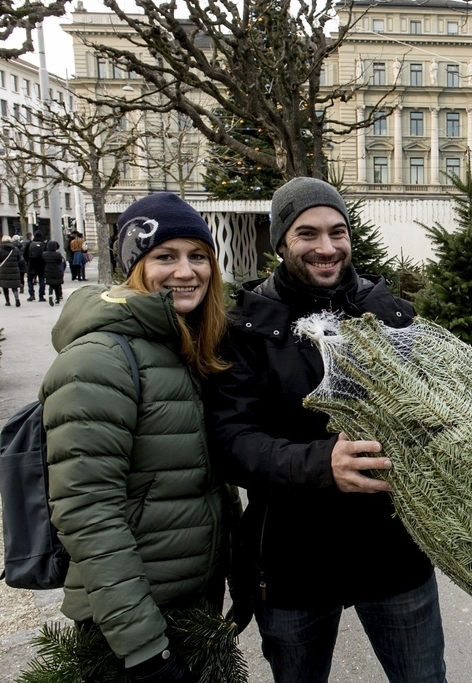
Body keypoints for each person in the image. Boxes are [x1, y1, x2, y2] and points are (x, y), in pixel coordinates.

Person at [204, 177, 447, 683]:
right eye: (307, 234)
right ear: (280, 244)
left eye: (338, 232)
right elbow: (230, 441)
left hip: (392, 554)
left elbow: (431, 414)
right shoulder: (248, 328)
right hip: (294, 562)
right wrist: (320, 464)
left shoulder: (389, 314)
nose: (327, 248)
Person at [40, 193, 232, 683]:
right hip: (133, 625)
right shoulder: (99, 360)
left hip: (189, 604)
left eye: (198, 256)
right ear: (133, 266)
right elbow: (87, 510)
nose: (186, 271)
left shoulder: (182, 345)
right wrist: (144, 647)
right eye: (165, 257)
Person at [0, 235, 25, 306]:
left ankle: (7, 301)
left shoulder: (0, 249)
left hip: (3, 269)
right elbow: (20, 259)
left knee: (4, 285)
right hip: (14, 269)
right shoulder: (15, 249)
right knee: (14, 285)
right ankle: (16, 298)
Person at [24, 230, 46, 301]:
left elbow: (25, 254)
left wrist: (28, 261)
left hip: (31, 264)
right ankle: (41, 296)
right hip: (41, 264)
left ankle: (31, 295)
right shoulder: (43, 244)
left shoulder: (30, 244)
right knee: (41, 280)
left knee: (30, 280)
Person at [42, 239, 66, 305]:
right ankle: (57, 299)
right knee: (57, 285)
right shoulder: (58, 254)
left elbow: (42, 262)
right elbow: (59, 261)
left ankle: (50, 296)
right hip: (57, 271)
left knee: (51, 285)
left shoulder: (44, 254)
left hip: (48, 271)